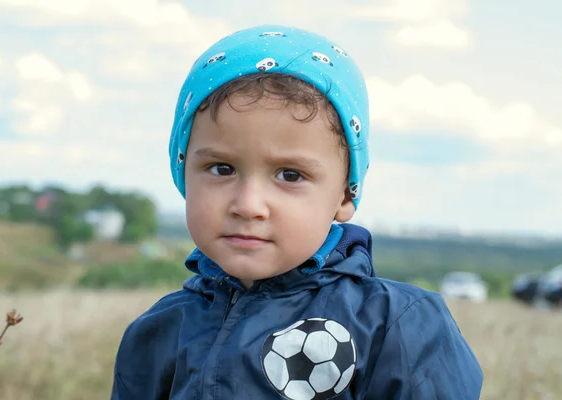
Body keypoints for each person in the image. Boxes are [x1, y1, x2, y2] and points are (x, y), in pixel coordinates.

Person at [110, 24, 483, 400]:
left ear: (344, 196)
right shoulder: (158, 331)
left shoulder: (396, 326)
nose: (248, 205)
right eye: (222, 168)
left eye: (290, 175)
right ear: (183, 172)